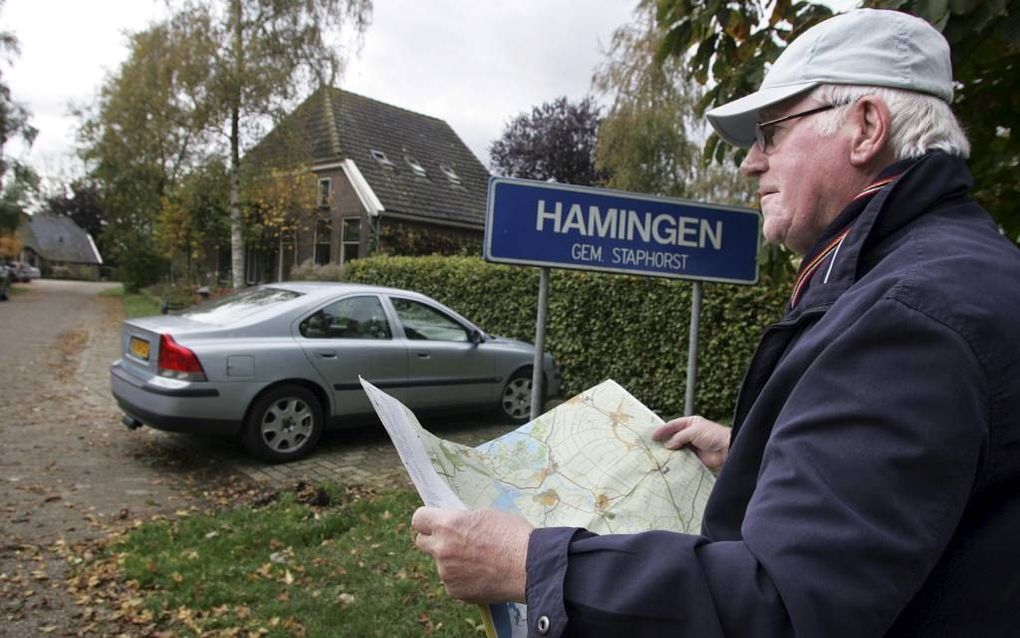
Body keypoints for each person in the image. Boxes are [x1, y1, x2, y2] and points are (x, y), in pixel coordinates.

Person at [411, 9, 1020, 636]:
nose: (750, 163)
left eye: (771, 133)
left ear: (865, 127)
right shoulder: (951, 270)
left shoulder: (910, 318)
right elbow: (919, 502)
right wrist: (756, 456)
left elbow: (784, 607)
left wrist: (532, 561)